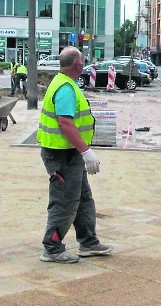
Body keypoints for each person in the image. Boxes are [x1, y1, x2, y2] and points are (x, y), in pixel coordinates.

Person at [35, 47, 114, 263]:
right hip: (62, 155)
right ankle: (51, 248)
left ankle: (88, 242)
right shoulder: (66, 89)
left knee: (83, 199)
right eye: (83, 61)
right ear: (77, 65)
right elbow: (65, 123)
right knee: (65, 201)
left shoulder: (63, 82)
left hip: (69, 154)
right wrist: (86, 151)